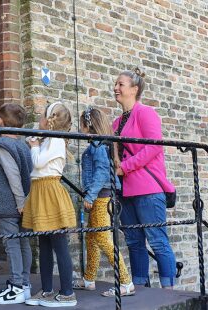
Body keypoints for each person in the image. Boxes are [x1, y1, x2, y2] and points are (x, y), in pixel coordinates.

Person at [113, 68, 176, 288]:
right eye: (116, 84)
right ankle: (140, 289)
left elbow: (154, 147)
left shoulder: (146, 113)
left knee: (158, 241)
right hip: (125, 191)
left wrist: (125, 167)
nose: (116, 88)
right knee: (134, 242)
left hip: (148, 189)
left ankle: (168, 291)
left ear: (134, 89)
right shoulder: (116, 122)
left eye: (120, 84)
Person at [72, 107, 135, 297]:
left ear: (88, 126)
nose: (80, 128)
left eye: (81, 124)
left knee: (102, 238)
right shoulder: (98, 145)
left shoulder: (99, 147)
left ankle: (126, 282)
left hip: (101, 197)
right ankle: (89, 279)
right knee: (92, 237)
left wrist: (90, 196)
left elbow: (100, 173)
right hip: (102, 195)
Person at [22, 102, 77, 308]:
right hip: (39, 190)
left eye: (42, 115)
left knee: (59, 244)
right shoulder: (48, 139)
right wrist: (37, 138)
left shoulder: (55, 140)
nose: (39, 117)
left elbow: (38, 163)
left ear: (50, 118)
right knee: (44, 244)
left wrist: (35, 146)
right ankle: (46, 290)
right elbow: (34, 149)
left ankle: (67, 293)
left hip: (50, 190)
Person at [0, 103, 33, 305]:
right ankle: (24, 284)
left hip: (9, 204)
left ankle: (16, 286)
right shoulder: (23, 145)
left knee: (12, 243)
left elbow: (13, 175)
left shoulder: (2, 145)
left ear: (0, 121)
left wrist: (20, 202)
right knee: (23, 243)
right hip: (21, 202)